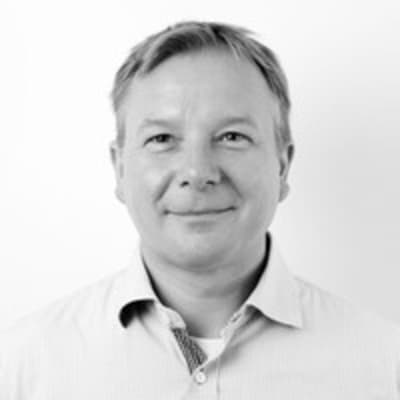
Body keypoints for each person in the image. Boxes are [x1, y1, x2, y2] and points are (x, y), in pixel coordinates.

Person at [1, 20, 399, 400]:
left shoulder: (383, 367)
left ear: (282, 165)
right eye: (162, 138)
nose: (197, 172)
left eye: (232, 136)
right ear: (120, 168)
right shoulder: (24, 366)